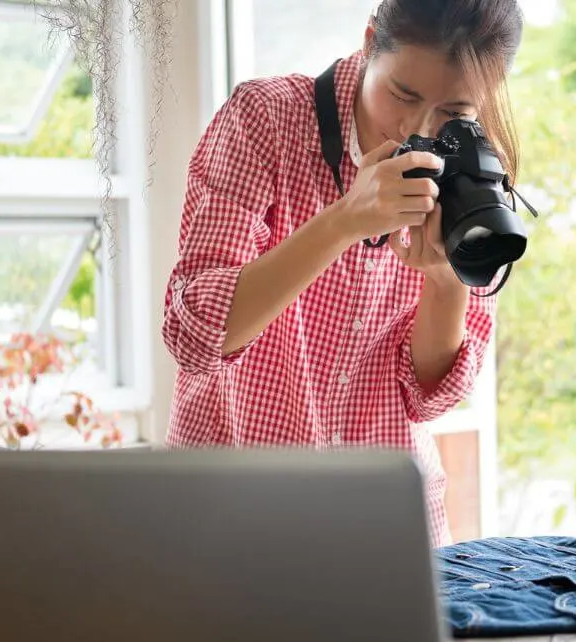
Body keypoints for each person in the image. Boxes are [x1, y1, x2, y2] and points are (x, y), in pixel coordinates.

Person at [162, 0, 525, 547]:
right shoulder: (267, 120)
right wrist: (342, 223)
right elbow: (195, 337)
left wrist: (446, 283)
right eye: (403, 93)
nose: (417, 128)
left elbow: (428, 397)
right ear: (369, 40)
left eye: (455, 111)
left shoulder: (475, 166)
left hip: (382, 525)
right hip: (231, 513)